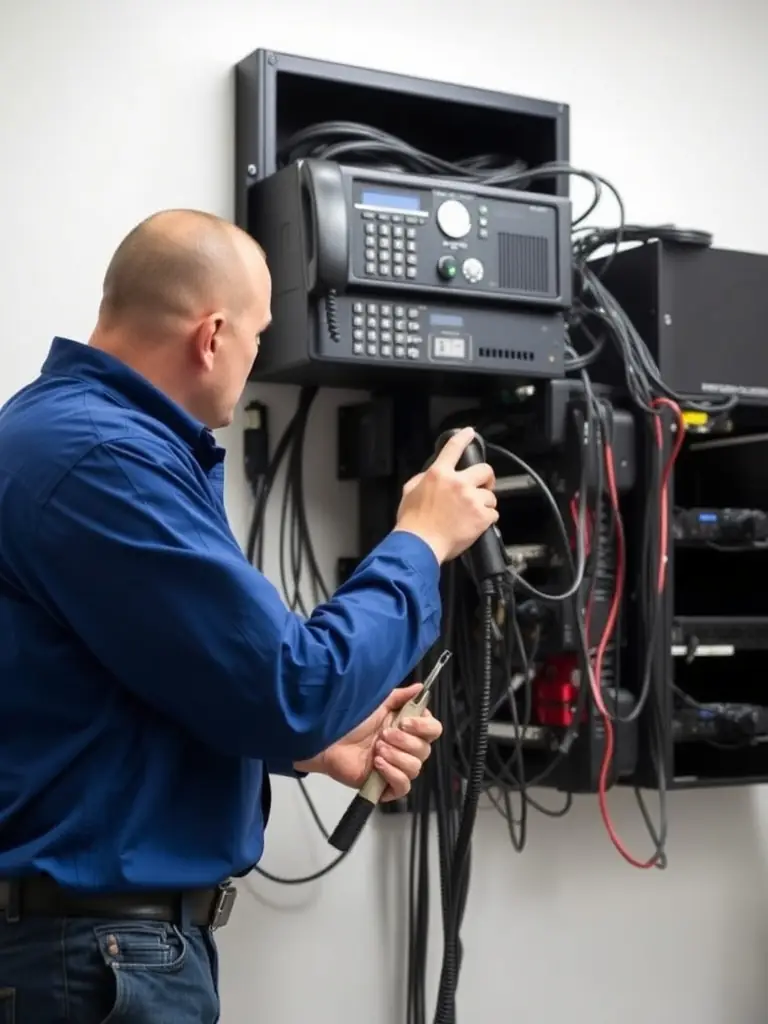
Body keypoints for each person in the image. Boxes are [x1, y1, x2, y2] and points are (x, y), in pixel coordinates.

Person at [0, 210, 498, 1023]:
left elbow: (136, 692)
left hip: (99, 958)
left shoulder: (76, 442)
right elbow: (287, 687)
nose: (254, 356)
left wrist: (317, 745)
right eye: (260, 336)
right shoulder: (100, 459)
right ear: (213, 335)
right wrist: (421, 540)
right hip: (97, 966)